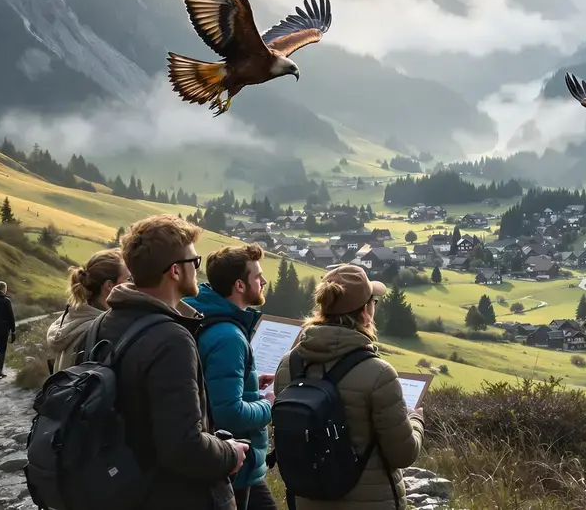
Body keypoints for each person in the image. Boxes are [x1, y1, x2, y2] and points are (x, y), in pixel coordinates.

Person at [90, 214, 248, 510]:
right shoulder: (171, 339)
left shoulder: (102, 324)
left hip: (119, 488)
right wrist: (230, 453)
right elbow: (183, 446)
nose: (198, 270)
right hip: (171, 494)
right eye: (194, 261)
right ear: (175, 271)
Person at [273, 264, 425, 510]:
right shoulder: (379, 373)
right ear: (365, 312)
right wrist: (416, 421)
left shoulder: (288, 364)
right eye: (374, 302)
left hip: (306, 501)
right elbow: (403, 454)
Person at [183, 244, 276, 510]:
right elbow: (229, 413)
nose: (263, 281)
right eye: (258, 276)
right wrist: (268, 405)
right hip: (235, 462)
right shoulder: (229, 336)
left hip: (223, 459)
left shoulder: (204, 316)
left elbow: (211, 383)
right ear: (240, 285)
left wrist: (249, 383)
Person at [46, 249, 130, 371]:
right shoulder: (102, 330)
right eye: (128, 279)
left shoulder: (73, 318)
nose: (132, 285)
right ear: (109, 285)